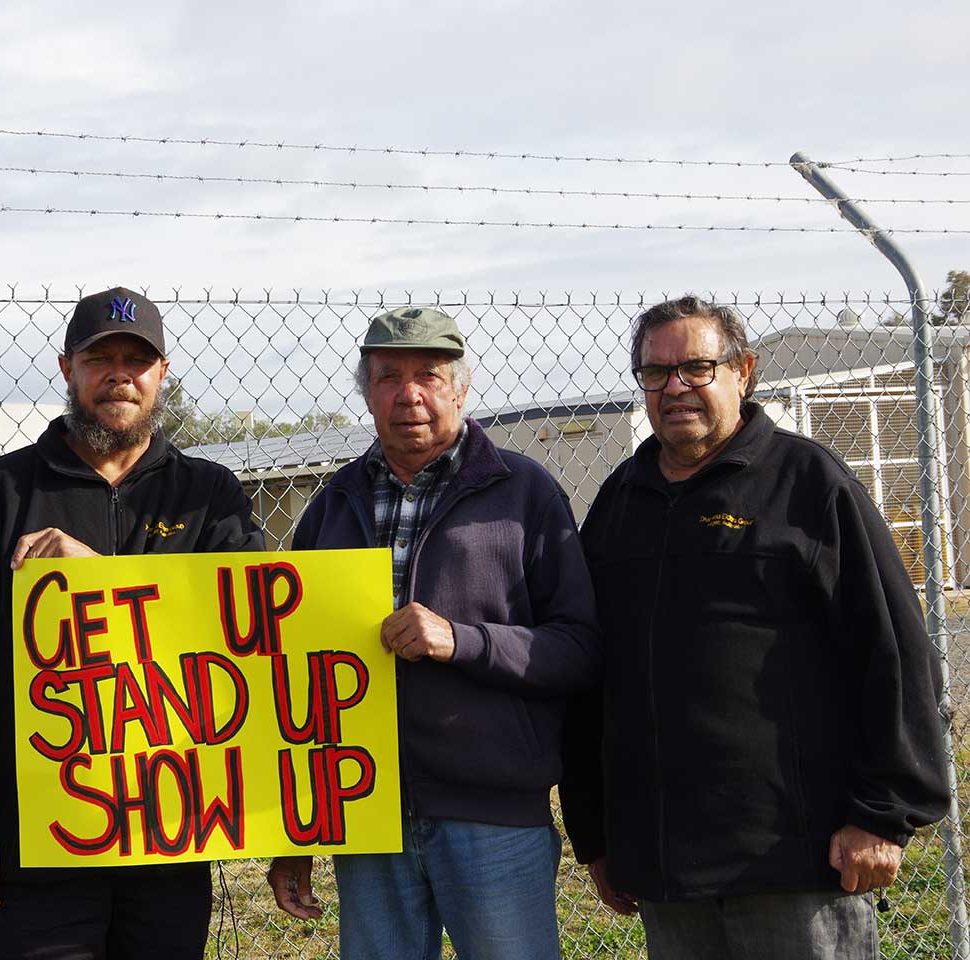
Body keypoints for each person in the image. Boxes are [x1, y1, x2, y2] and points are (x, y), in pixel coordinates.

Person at [560, 295, 951, 959]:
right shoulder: (621, 503)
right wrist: (597, 836)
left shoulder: (808, 485)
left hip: (795, 861)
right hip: (665, 866)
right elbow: (592, 676)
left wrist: (883, 815)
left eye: (697, 367)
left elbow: (896, 654)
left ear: (744, 371)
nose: (675, 387)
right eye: (656, 373)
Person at [0, 287, 265, 960]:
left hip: (173, 825)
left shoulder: (208, 494)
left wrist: (100, 575)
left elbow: (246, 632)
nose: (119, 375)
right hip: (42, 835)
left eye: (136, 360)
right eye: (99, 358)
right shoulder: (3, 492)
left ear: (161, 374)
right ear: (66, 369)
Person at [265, 306, 600, 960]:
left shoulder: (524, 494)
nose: (408, 393)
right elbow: (289, 675)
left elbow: (580, 649)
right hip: (366, 814)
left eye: (429, 375)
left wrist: (463, 640)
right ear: (367, 393)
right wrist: (296, 831)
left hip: (493, 813)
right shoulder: (332, 505)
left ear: (461, 387)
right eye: (388, 376)